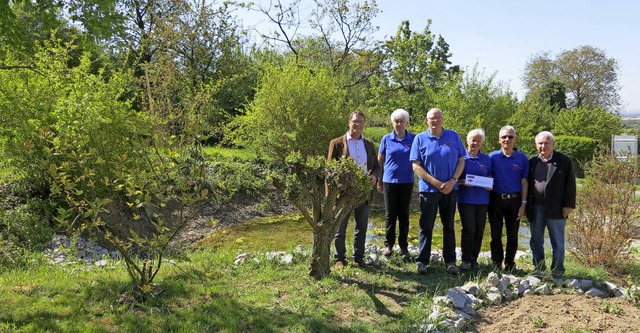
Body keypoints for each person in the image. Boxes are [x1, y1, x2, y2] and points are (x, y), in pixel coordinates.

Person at [410, 108, 465, 274]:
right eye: (432, 118)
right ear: (426, 120)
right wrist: (435, 182)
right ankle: (422, 262)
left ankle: (450, 262)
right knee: (426, 225)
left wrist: (452, 181)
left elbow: (461, 160)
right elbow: (416, 166)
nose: (435, 121)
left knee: (449, 226)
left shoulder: (453, 136)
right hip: (428, 190)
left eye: (438, 118)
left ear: (442, 119)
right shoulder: (419, 139)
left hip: (450, 189)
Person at [328, 111, 380, 269]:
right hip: (343, 193)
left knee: (361, 227)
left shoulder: (369, 145)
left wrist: (375, 177)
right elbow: (329, 169)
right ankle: (340, 259)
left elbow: (377, 166)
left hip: (363, 191)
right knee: (340, 227)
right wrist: (330, 195)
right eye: (355, 121)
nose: (357, 125)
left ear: (364, 124)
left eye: (361, 122)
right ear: (349, 122)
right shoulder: (337, 143)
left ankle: (358, 258)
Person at [526, 131, 576, 276]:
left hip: (557, 208)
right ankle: (539, 269)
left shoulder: (564, 161)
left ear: (553, 144)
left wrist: (568, 205)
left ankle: (558, 271)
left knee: (557, 242)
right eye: (540, 143)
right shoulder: (532, 162)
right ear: (536, 145)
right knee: (536, 240)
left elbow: (571, 185)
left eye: (547, 143)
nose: (543, 146)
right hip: (536, 208)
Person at [488, 125, 529, 272]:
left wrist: (523, 204)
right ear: (499, 140)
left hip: (515, 201)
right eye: (504, 137)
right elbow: (487, 177)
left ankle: (510, 263)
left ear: (515, 139)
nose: (507, 139)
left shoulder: (523, 159)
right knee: (495, 234)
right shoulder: (492, 157)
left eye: (510, 137)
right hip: (496, 200)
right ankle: (496, 262)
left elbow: (525, 182)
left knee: (513, 235)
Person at [377, 109, 415, 261]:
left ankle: (404, 246)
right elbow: (379, 161)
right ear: (392, 123)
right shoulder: (386, 139)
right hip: (389, 181)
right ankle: (389, 245)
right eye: (396, 121)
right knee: (390, 214)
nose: (399, 124)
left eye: (402, 121)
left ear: (406, 122)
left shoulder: (414, 138)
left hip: (407, 181)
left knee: (404, 215)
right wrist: (379, 179)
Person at [457, 129, 492, 271]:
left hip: (482, 200)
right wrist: (462, 182)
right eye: (473, 140)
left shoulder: (487, 159)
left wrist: (489, 183)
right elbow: (455, 178)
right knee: (468, 229)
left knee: (479, 230)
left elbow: (490, 176)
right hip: (465, 199)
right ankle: (465, 259)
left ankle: (474, 259)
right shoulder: (461, 158)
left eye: (478, 140)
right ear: (467, 140)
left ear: (482, 143)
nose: (475, 143)